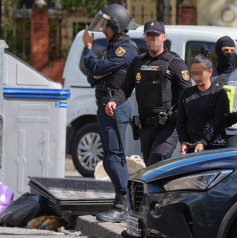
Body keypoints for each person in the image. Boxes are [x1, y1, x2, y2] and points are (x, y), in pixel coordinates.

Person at [106, 20, 192, 166]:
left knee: (158, 159)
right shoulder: (137, 62)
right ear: (145, 37)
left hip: (168, 126)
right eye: (149, 35)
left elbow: (188, 92)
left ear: (164, 37)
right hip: (146, 126)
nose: (152, 39)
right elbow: (125, 89)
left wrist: (183, 111)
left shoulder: (174, 63)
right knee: (151, 167)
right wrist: (113, 101)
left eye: (156, 35)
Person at [83, 4, 139, 223]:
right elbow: (92, 76)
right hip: (105, 106)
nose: (103, 30)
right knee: (108, 158)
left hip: (115, 107)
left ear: (117, 26)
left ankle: (123, 205)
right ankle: (120, 201)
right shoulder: (114, 47)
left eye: (106, 26)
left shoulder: (126, 49)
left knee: (114, 157)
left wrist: (88, 48)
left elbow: (96, 69)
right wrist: (97, 69)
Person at [176, 48, 229, 155]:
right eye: (193, 73)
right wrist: (184, 142)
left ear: (210, 72)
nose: (196, 77)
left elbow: (219, 123)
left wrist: (203, 142)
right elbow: (180, 122)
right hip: (191, 149)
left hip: (214, 148)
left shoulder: (219, 94)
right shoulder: (186, 94)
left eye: (199, 73)